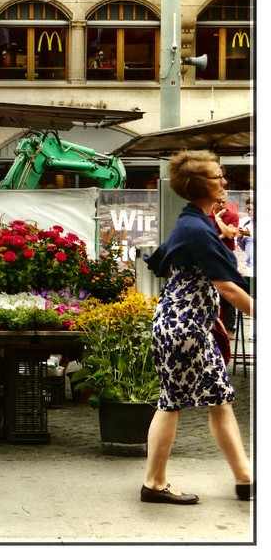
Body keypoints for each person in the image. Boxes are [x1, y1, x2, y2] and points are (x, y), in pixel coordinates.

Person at [141, 151, 252, 504]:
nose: (224, 181)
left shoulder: (197, 222)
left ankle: (245, 479)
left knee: (220, 400)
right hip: (183, 330)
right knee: (171, 403)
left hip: (191, 330)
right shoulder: (194, 227)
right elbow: (228, 288)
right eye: (219, 176)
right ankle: (154, 483)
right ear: (201, 184)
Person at [210, 197, 241, 335]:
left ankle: (229, 328)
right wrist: (221, 235)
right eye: (219, 202)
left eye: (224, 202)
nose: (222, 205)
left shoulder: (232, 215)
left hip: (227, 257)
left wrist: (218, 220)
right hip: (211, 257)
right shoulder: (206, 216)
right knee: (210, 291)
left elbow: (230, 234)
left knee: (229, 291)